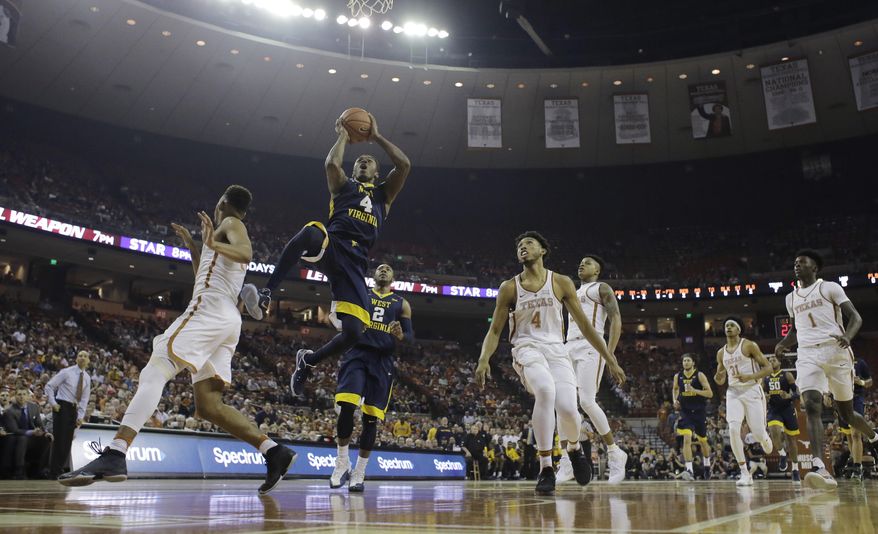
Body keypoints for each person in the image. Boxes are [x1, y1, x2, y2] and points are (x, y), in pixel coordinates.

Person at [59, 186, 296, 494]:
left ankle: (116, 453)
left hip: (209, 310)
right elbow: (204, 274)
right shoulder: (220, 236)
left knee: (156, 369)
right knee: (209, 406)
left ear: (222, 202)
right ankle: (274, 451)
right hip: (226, 320)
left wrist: (210, 241)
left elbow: (247, 254)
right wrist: (195, 248)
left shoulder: (231, 224)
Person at [259, 115, 411, 398]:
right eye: (359, 161)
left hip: (355, 262)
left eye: (369, 161)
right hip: (332, 244)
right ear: (354, 170)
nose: (363, 162)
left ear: (377, 172)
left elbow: (404, 165)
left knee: (354, 332)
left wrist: (376, 137)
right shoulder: (344, 186)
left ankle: (308, 361)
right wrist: (344, 134)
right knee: (310, 231)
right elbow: (331, 164)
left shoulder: (383, 196)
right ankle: (267, 291)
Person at [475, 231, 626, 495]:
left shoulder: (561, 282)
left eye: (529, 244)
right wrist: (483, 359)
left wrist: (610, 358)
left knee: (569, 408)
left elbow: (586, 326)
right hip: (527, 348)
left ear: (543, 250)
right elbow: (495, 330)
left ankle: (574, 449)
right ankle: (546, 467)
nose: (523, 248)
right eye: (519, 246)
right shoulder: (509, 287)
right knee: (545, 391)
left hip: (557, 350)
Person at [774, 249, 878, 489]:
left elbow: (856, 318)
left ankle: (873, 437)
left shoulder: (829, 288)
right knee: (811, 404)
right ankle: (820, 466)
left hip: (836, 350)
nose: (797, 265)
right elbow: (795, 332)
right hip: (808, 353)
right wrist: (782, 343)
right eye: (795, 262)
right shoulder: (791, 298)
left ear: (815, 267)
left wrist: (848, 337)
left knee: (847, 415)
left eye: (802, 262)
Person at [329, 264, 412, 492]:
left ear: (393, 277)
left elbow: (411, 337)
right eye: (380, 268)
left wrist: (401, 335)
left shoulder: (401, 303)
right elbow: (337, 317)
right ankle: (342, 462)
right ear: (374, 275)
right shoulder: (361, 294)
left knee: (371, 419)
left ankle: (359, 472)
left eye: (388, 269)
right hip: (357, 354)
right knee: (346, 405)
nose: (383, 271)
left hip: (382, 361)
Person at [557, 255, 628, 485]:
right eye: (580, 262)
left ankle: (615, 452)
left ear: (597, 270)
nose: (581, 264)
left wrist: (611, 355)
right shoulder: (570, 290)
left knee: (587, 401)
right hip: (569, 345)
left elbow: (616, 319)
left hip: (591, 344)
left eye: (588, 263)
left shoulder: (601, 288)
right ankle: (568, 459)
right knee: (562, 403)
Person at [715, 317, 773, 487]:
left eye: (732, 325)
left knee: (758, 432)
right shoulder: (721, 353)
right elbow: (720, 379)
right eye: (726, 325)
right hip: (733, 393)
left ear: (739, 329)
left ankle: (764, 438)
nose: (728, 327)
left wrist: (751, 376)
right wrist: (718, 376)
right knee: (733, 429)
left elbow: (768, 367)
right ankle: (745, 473)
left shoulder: (749, 345)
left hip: (752, 389)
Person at [44, 350, 92, 477]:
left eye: (85, 356)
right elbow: (49, 386)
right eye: (80, 355)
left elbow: (84, 399)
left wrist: (80, 416)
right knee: (60, 440)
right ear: (76, 359)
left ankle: (59, 470)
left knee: (67, 441)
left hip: (73, 409)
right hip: (62, 406)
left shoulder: (87, 378)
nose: (82, 358)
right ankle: (54, 471)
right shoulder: (66, 372)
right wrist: (53, 403)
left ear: (88, 361)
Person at [672, 354, 713, 480]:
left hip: (699, 411)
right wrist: (675, 400)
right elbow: (675, 389)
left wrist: (695, 390)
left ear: (693, 363)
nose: (686, 362)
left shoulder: (700, 375)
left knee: (703, 441)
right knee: (687, 438)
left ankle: (706, 465)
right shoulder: (677, 376)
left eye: (688, 360)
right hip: (685, 412)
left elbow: (710, 393)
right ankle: (689, 470)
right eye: (684, 360)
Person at [763, 354, 801, 484]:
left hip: (787, 409)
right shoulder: (765, 378)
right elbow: (762, 395)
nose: (771, 361)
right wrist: (765, 397)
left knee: (792, 440)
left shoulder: (787, 375)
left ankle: (795, 469)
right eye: (769, 360)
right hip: (774, 410)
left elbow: (797, 393)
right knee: (773, 430)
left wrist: (788, 395)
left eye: (773, 359)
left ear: (779, 362)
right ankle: (782, 454)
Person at [2, 388, 52, 479]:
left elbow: (39, 424)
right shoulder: (9, 410)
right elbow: (14, 430)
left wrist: (45, 433)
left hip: (33, 436)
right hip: (17, 436)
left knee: (47, 439)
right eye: (19, 394)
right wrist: (32, 432)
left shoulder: (34, 407)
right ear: (15, 396)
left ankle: (42, 470)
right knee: (22, 439)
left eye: (24, 394)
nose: (21, 397)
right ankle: (19, 471)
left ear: (28, 396)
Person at [838, 357, 872, 480]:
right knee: (849, 436)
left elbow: (870, 381)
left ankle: (858, 466)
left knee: (856, 434)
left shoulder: (860, 362)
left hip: (856, 397)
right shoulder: (836, 362)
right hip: (841, 399)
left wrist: (861, 382)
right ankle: (854, 463)